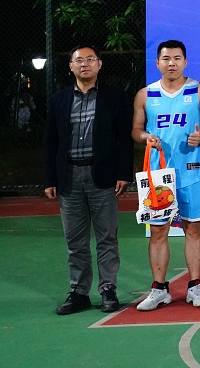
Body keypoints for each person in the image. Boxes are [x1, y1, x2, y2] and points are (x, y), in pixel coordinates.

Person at [43, 45, 133, 315]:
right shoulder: (58, 100)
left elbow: (125, 139)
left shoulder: (116, 98)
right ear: (71, 66)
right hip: (69, 178)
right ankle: (79, 292)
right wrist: (49, 178)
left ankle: (108, 290)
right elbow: (50, 142)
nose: (85, 64)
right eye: (79, 60)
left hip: (103, 177)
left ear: (99, 64)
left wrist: (123, 173)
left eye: (90, 59)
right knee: (75, 241)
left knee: (107, 238)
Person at [131, 40, 200, 310]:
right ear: (157, 63)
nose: (172, 63)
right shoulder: (145, 95)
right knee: (158, 230)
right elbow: (135, 130)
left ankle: (195, 286)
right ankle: (159, 289)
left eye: (177, 58)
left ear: (185, 62)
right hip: (158, 174)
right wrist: (146, 137)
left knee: (193, 227)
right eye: (166, 59)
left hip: (191, 170)